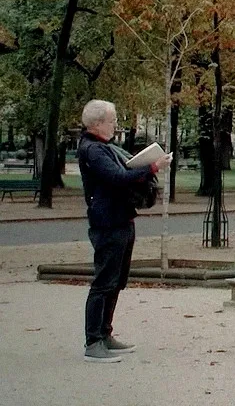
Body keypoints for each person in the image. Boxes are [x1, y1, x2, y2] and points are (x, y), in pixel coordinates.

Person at [77, 99, 170, 364]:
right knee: (103, 283)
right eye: (112, 120)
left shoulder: (104, 147)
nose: (115, 124)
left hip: (122, 219)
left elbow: (122, 173)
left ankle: (105, 334)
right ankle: (93, 341)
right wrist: (152, 167)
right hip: (107, 223)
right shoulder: (93, 150)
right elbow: (117, 177)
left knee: (116, 281)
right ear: (97, 124)